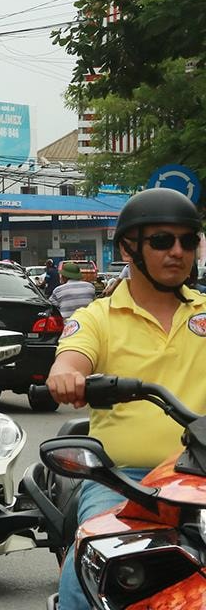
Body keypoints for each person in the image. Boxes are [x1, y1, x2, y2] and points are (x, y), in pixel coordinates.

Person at [46, 188, 206, 610]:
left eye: (188, 241)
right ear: (128, 248)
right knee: (96, 554)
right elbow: (70, 362)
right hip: (128, 482)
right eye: (162, 241)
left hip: (202, 479)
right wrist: (67, 378)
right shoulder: (97, 317)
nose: (178, 252)